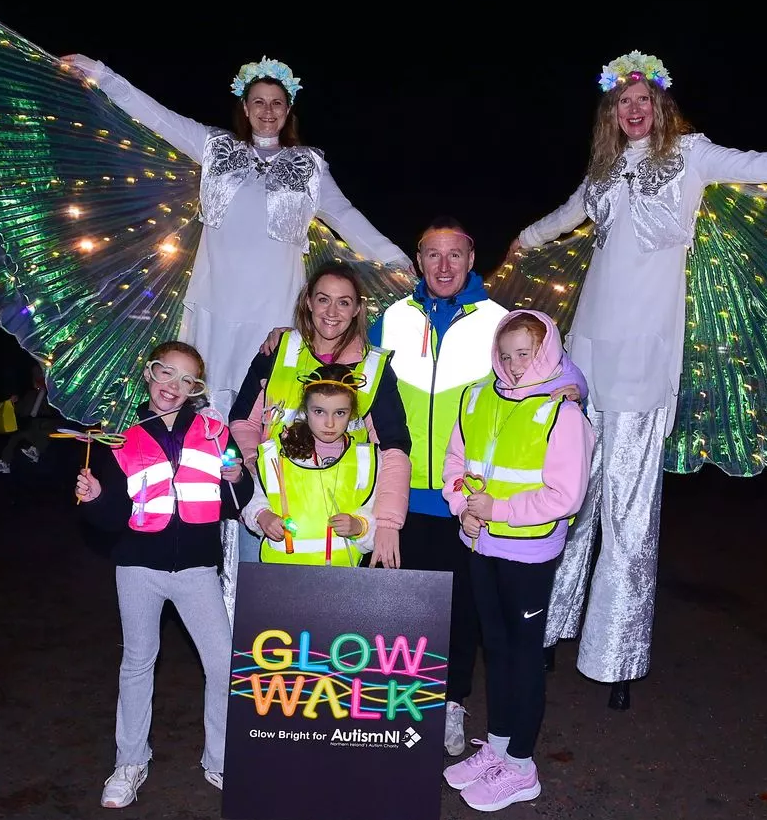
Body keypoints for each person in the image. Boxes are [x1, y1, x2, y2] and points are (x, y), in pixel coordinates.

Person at [512, 50, 767, 710]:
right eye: (622, 103)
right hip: (586, 359)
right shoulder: (602, 171)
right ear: (611, 113)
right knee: (569, 500)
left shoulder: (692, 154)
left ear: (659, 106)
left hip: (645, 362)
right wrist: (522, 240)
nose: (633, 111)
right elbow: (566, 214)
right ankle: (550, 627)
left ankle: (617, 657)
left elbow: (758, 164)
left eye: (643, 101)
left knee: (629, 513)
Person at [58, 53, 412, 416]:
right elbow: (158, 117)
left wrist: (399, 261)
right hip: (216, 300)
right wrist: (102, 75)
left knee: (266, 404)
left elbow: (345, 216)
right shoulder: (215, 147)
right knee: (204, 401)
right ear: (244, 107)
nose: (268, 110)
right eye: (258, 101)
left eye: (277, 103)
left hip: (275, 309)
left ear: (289, 109)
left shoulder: (309, 166)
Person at [366, 216, 586, 756]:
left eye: (455, 255)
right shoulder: (392, 318)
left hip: (464, 500)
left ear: (471, 260)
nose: (443, 266)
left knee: (463, 613)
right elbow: (347, 363)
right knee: (399, 611)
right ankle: (400, 708)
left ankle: (452, 704)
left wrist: (574, 391)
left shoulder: (497, 319)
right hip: (402, 490)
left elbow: (551, 366)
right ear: (417, 261)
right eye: (432, 255)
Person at [75, 340, 248, 809]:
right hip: (137, 565)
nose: (173, 386)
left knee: (223, 663)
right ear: (148, 373)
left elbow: (238, 492)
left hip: (196, 567)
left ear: (196, 388)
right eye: (165, 373)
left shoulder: (213, 430)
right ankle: (130, 760)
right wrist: (93, 499)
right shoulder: (115, 434)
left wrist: (236, 475)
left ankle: (221, 758)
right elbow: (112, 516)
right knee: (137, 662)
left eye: (186, 379)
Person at [440, 310, 594, 811]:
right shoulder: (477, 396)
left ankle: (523, 766)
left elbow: (566, 496)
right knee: (498, 650)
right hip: (479, 546)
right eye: (505, 355)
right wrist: (463, 507)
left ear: (547, 352)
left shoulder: (561, 413)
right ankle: (500, 747)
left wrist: (498, 510)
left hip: (527, 553)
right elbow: (457, 463)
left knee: (524, 656)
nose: (513, 364)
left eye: (525, 354)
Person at [230, 263, 408, 570]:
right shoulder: (277, 351)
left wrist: (389, 522)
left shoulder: (374, 367)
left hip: (338, 523)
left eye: (344, 302)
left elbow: (392, 449)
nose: (332, 312)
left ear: (356, 309)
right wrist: (253, 471)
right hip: (269, 512)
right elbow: (242, 421)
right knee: (259, 614)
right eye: (323, 299)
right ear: (308, 302)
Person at [242, 364, 380, 566]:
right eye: (319, 412)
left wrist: (360, 525)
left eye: (340, 413)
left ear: (352, 413)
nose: (330, 423)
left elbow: (377, 513)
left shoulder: (366, 458)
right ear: (305, 410)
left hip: (342, 579)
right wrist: (262, 516)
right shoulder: (276, 453)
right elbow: (254, 498)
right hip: (279, 574)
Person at [0, 363, 61, 474]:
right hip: (30, 431)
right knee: (15, 436)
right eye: (36, 378)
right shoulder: (31, 394)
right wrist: (13, 403)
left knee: (44, 427)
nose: (37, 381)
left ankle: (36, 451)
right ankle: (4, 462)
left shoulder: (52, 396)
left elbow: (54, 418)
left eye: (40, 377)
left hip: (44, 436)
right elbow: (21, 412)